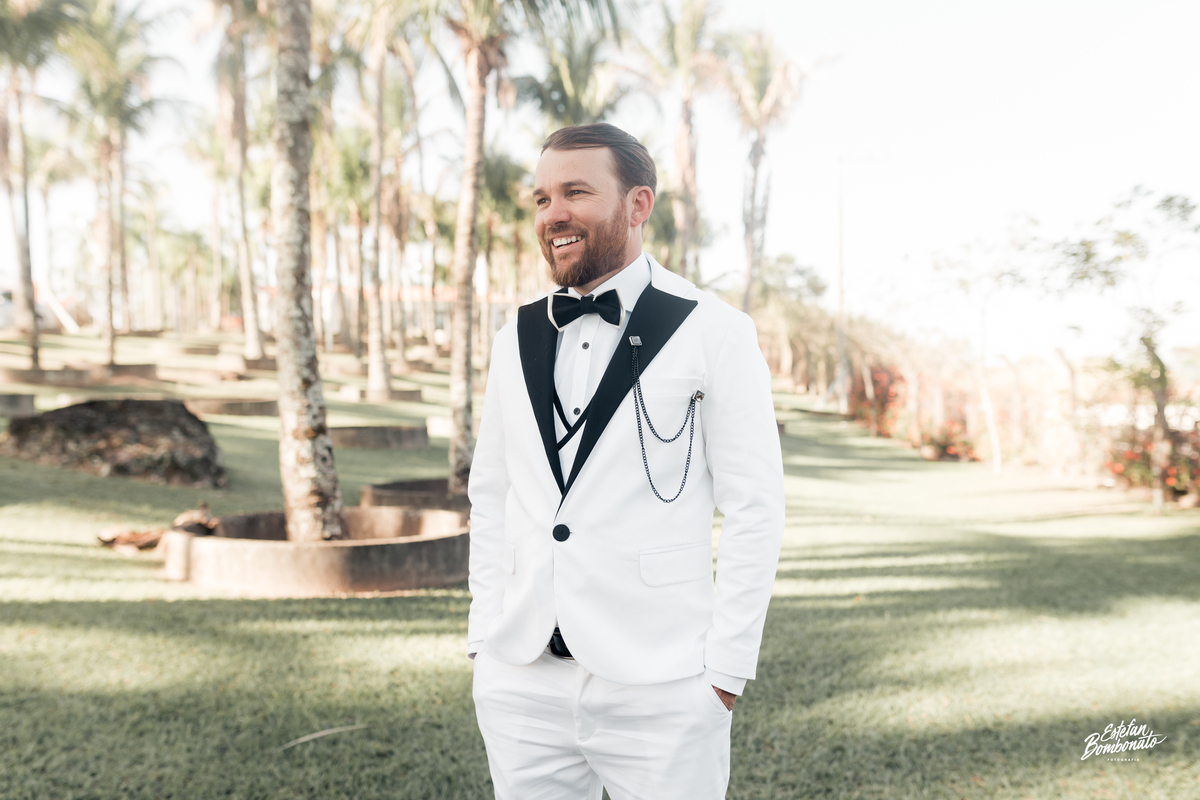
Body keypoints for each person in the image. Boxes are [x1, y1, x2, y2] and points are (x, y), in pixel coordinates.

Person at [467, 122, 784, 800]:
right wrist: (482, 641)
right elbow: (490, 492)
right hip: (521, 682)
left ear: (638, 205)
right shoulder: (514, 334)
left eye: (576, 192)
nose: (553, 214)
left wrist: (724, 675)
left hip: (664, 684)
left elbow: (755, 508)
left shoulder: (715, 330)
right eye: (542, 198)